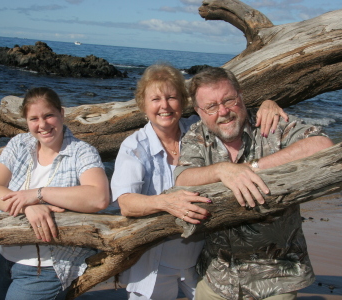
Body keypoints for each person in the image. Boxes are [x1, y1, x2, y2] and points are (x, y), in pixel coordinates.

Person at [110, 64, 287, 300]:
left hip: (202, 259)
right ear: (143, 104)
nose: (164, 106)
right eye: (155, 99)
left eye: (172, 97)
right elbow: (126, 204)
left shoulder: (197, 130)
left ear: (183, 102)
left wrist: (268, 104)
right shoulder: (134, 146)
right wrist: (166, 202)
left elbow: (227, 112)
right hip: (155, 262)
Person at [174, 67, 334, 300]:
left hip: (276, 275)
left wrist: (252, 168)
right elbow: (182, 178)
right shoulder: (196, 136)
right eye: (211, 106)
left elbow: (322, 145)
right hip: (218, 277)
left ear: (241, 95)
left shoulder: (270, 124)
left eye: (229, 100)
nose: (223, 111)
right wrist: (222, 170)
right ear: (199, 111)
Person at [0, 87, 110, 300]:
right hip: (4, 258)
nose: (42, 125)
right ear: (26, 121)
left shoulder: (82, 152)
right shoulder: (19, 144)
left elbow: (99, 198)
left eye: (49, 115)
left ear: (61, 113)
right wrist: (27, 206)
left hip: (45, 267)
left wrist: (38, 194)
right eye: (34, 118)